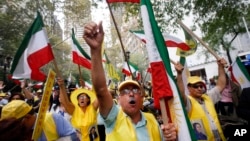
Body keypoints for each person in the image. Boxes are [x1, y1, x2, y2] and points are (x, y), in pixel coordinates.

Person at [83, 21, 177, 141]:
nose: (131, 93)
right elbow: (101, 91)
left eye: (136, 90)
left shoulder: (152, 120)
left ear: (142, 98)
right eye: (125, 91)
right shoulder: (114, 117)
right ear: (118, 99)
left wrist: (171, 137)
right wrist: (95, 50)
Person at [175, 58, 227, 141]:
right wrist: (179, 74)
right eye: (195, 86)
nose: (199, 88)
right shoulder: (188, 101)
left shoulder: (208, 97)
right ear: (189, 88)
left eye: (201, 86)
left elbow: (221, 84)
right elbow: (181, 94)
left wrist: (220, 67)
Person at [0, 100, 79, 141]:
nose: (14, 130)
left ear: (27, 117)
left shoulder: (53, 118)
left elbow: (74, 137)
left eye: (15, 126)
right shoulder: (11, 133)